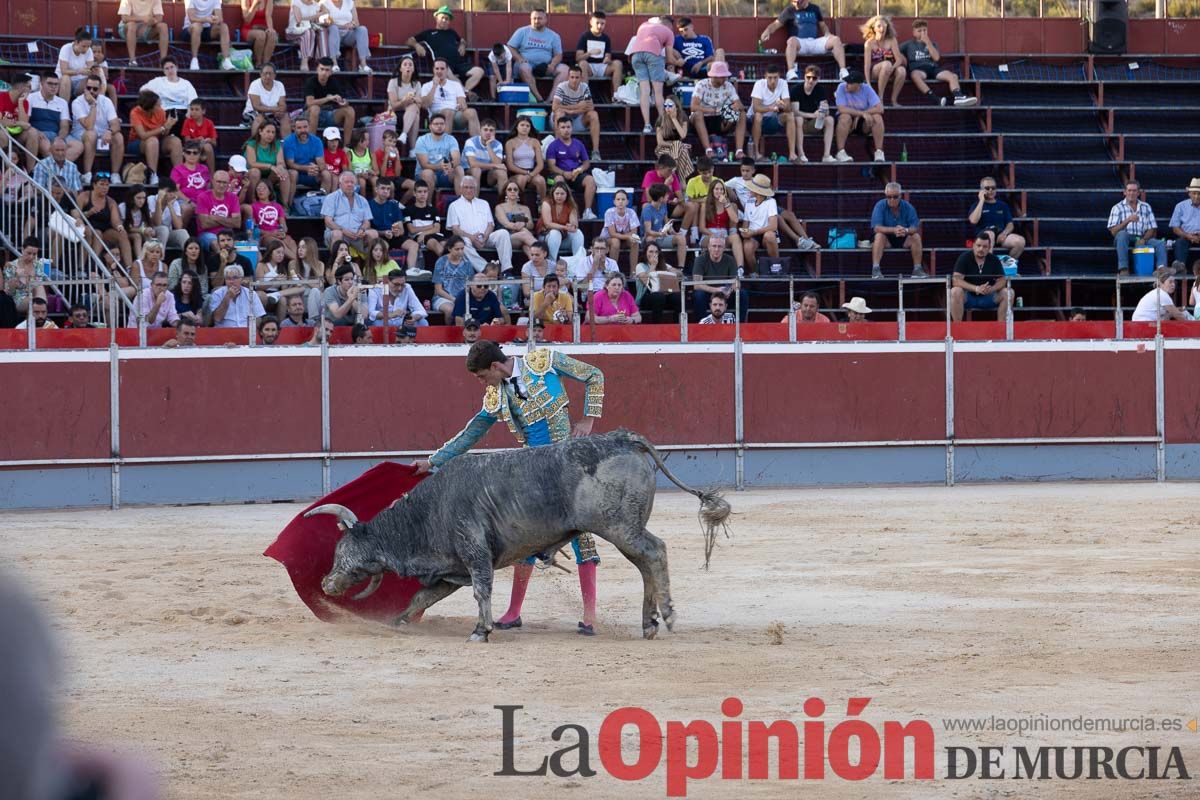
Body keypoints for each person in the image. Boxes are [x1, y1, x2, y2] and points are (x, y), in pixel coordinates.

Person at [415, 340, 605, 636]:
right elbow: (472, 432)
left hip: (567, 467)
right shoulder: (497, 395)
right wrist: (433, 461)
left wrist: (588, 419)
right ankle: (514, 611)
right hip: (533, 476)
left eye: (481, 376)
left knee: (582, 535)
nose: (482, 383)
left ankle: (590, 615)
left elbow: (594, 374)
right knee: (523, 538)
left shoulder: (544, 362)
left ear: (495, 366)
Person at [759, 0, 848, 82]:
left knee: (836, 40)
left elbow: (823, 25)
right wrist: (767, 31)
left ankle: (843, 71)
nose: (795, 4)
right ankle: (791, 71)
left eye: (798, 2)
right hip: (799, 43)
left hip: (815, 42)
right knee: (791, 40)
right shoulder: (789, 10)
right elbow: (775, 24)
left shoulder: (815, 9)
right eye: (793, 1)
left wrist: (828, 34)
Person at [408, 6, 484, 97]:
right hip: (442, 64)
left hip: (459, 63)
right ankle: (465, 95)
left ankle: (465, 93)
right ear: (436, 18)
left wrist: (463, 45)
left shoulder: (452, 32)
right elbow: (409, 40)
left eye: (447, 19)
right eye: (442, 18)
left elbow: (462, 40)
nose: (444, 20)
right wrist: (417, 45)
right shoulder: (428, 33)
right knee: (453, 78)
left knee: (479, 71)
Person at [901, 19, 976, 107]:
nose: (922, 33)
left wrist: (928, 43)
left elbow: (936, 58)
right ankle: (935, 99)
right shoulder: (909, 44)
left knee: (953, 76)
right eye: (919, 31)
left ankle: (958, 97)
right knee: (914, 75)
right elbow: (895, 51)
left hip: (933, 68)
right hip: (918, 69)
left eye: (924, 30)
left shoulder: (932, 43)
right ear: (914, 32)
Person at [448, 176, 513, 273]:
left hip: (485, 237)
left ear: (475, 189)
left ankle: (506, 269)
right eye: (466, 187)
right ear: (461, 189)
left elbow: (491, 224)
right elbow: (455, 229)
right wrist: (471, 237)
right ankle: (486, 269)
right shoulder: (454, 205)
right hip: (468, 239)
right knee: (462, 243)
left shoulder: (484, 203)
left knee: (503, 233)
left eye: (471, 187)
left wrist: (485, 236)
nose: (469, 190)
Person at [70, 74, 124, 184]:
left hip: (102, 134)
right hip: (81, 134)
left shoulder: (106, 101)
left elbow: (115, 124)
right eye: (88, 88)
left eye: (94, 89)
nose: (91, 91)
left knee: (118, 137)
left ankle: (115, 174)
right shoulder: (77, 102)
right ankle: (87, 174)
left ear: (99, 90)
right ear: (85, 88)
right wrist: (93, 105)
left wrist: (109, 131)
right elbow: (88, 126)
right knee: (91, 134)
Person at [689, 61, 746, 160]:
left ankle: (739, 151)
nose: (725, 78)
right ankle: (708, 150)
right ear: (714, 76)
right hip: (704, 119)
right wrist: (712, 110)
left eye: (725, 76)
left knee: (742, 114)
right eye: (722, 76)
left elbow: (739, 104)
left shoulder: (728, 86)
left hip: (721, 119)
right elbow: (693, 107)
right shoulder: (701, 85)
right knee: (697, 114)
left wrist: (732, 107)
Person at [508, 10, 569, 103]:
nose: (536, 21)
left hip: (546, 66)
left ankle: (551, 100)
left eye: (540, 18)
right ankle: (539, 98)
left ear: (546, 20)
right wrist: (520, 59)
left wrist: (552, 65)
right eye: (534, 18)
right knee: (524, 68)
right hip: (526, 65)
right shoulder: (522, 31)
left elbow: (558, 54)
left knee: (565, 69)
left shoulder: (554, 35)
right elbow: (510, 47)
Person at [627, 15, 675, 134]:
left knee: (645, 91)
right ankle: (664, 125)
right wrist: (678, 62)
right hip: (653, 55)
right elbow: (669, 59)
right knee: (658, 92)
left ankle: (647, 125)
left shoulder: (643, 25)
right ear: (669, 25)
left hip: (636, 56)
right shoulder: (669, 32)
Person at [1107, 180, 1166, 276]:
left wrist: (1144, 239)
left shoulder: (1146, 207)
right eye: (1129, 190)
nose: (1131, 193)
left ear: (1138, 193)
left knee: (1160, 243)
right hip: (1124, 238)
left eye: (1134, 191)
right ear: (1124, 192)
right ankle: (1123, 268)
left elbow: (1152, 228)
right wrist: (1128, 220)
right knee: (1122, 234)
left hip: (1142, 236)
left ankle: (1161, 269)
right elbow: (1113, 232)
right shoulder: (1117, 208)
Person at [544, 116, 597, 221]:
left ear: (572, 128)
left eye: (568, 127)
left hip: (575, 174)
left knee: (590, 180)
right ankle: (562, 211)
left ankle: (587, 211)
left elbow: (586, 163)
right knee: (559, 180)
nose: (566, 130)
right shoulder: (553, 146)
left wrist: (579, 170)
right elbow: (551, 166)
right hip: (558, 174)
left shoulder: (578, 144)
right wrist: (564, 173)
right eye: (563, 127)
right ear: (558, 129)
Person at [870, 181, 924, 279]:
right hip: (887, 240)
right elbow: (876, 227)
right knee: (878, 235)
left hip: (904, 238)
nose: (892, 199)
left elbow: (915, 227)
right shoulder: (880, 205)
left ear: (900, 196)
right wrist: (894, 230)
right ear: (885, 195)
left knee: (916, 236)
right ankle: (876, 269)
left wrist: (906, 230)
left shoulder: (908, 206)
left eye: (895, 197)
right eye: (889, 197)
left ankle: (917, 269)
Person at [950, 234, 1009, 322]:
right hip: (968, 297)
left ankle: (1002, 329)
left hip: (988, 296)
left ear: (989, 248)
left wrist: (992, 289)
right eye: (978, 245)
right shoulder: (964, 257)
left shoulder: (994, 259)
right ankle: (957, 328)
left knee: (1008, 292)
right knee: (955, 291)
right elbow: (956, 280)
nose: (981, 249)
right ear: (973, 245)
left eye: (985, 247)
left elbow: (1002, 280)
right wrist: (976, 288)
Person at [128, 89, 181, 185]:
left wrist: (168, 126)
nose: (160, 107)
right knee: (152, 141)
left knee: (175, 141)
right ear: (150, 107)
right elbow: (143, 135)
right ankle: (153, 175)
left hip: (158, 140)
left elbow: (164, 134)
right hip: (138, 142)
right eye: (157, 105)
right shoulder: (135, 112)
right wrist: (163, 128)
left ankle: (180, 175)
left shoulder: (161, 112)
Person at [551, 65, 602, 162]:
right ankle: (558, 149)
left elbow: (590, 106)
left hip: (577, 119)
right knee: (559, 113)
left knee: (593, 114)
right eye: (572, 77)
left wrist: (573, 111)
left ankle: (596, 151)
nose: (574, 80)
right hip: (561, 119)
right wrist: (577, 106)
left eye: (577, 77)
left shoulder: (584, 87)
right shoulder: (561, 87)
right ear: (568, 77)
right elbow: (554, 107)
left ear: (581, 78)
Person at [834, 71, 885, 163]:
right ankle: (840, 152)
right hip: (846, 122)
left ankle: (879, 152)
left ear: (858, 85)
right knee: (845, 117)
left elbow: (880, 108)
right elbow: (841, 109)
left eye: (850, 83)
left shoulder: (867, 89)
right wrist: (861, 114)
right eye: (847, 81)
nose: (847, 84)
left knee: (877, 117)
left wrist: (863, 114)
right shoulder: (841, 87)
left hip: (862, 123)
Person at [970, 176, 1027, 260]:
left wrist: (1004, 233)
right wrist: (981, 200)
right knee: (990, 234)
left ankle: (1004, 268)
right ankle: (988, 269)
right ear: (981, 190)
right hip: (983, 236)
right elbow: (973, 221)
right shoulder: (977, 205)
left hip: (1000, 235)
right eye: (987, 188)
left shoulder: (1002, 205)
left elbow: (1010, 224)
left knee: (1020, 241)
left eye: (993, 188)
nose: (990, 190)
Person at [750, 64, 797, 162]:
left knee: (790, 115)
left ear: (779, 76)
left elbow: (788, 107)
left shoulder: (783, 83)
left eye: (775, 78)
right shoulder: (759, 84)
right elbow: (756, 108)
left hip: (771, 120)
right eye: (770, 78)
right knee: (758, 115)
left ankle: (792, 154)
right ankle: (756, 153)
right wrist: (771, 108)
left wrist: (782, 105)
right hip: (752, 121)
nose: (773, 81)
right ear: (765, 77)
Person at [692, 235, 747, 320]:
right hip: (708, 294)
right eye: (714, 246)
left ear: (724, 248)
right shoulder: (700, 260)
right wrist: (717, 290)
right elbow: (697, 285)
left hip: (725, 294)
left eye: (719, 246)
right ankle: (701, 326)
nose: (716, 249)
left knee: (742, 294)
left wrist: (730, 290)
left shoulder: (730, 260)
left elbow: (736, 282)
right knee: (699, 295)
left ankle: (740, 325)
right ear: (709, 247)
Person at [422, 58, 480, 136]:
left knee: (472, 112)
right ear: (433, 70)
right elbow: (425, 105)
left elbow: (463, 103)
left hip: (456, 115)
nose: (439, 71)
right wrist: (434, 86)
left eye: (442, 69)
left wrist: (461, 106)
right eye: (437, 69)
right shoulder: (426, 86)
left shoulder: (455, 85)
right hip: (437, 116)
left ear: (447, 70)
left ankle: (477, 145)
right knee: (448, 111)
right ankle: (444, 145)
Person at [790, 63, 835, 163]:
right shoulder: (796, 89)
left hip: (814, 124)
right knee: (798, 119)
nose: (811, 80)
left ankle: (827, 155)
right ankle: (801, 154)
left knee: (830, 119)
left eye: (814, 78)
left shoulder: (820, 89)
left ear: (818, 78)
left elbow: (825, 110)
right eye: (808, 77)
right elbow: (795, 112)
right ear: (804, 76)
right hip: (799, 124)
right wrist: (813, 115)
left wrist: (824, 111)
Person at [305, 58, 356, 145]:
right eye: (322, 69)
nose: (324, 73)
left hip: (329, 114)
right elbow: (309, 103)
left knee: (350, 110)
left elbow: (342, 100)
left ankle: (346, 146)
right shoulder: (311, 81)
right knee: (315, 109)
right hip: (310, 115)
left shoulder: (334, 82)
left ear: (331, 72)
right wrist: (327, 98)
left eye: (327, 70)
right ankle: (311, 145)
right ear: (317, 69)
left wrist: (343, 102)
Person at [322, 170, 375, 253]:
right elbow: (328, 221)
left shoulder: (362, 200)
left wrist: (362, 229)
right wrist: (343, 230)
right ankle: (335, 263)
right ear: (340, 185)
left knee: (373, 234)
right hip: (340, 233)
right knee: (337, 234)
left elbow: (367, 222)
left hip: (357, 235)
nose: (350, 184)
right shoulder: (331, 198)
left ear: (356, 185)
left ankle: (370, 265)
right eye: (346, 182)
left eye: (352, 182)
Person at [27, 72, 76, 162]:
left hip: (56, 134)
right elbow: (26, 122)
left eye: (56, 84)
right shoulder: (30, 98)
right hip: (39, 134)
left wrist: (60, 138)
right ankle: (57, 172)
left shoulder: (62, 102)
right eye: (50, 83)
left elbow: (64, 126)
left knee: (78, 146)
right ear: (41, 84)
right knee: (47, 147)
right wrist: (37, 132)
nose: (54, 87)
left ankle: (61, 169)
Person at [861, 15, 907, 107]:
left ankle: (894, 100)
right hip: (876, 71)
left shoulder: (892, 40)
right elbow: (867, 65)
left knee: (902, 71)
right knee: (886, 64)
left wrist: (893, 68)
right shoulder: (869, 43)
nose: (882, 28)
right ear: (874, 28)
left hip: (890, 68)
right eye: (879, 26)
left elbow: (899, 59)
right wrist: (868, 83)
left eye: (884, 26)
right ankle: (879, 99)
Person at [504, 115, 548, 207]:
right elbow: (510, 165)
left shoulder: (535, 142)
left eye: (527, 126)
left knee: (541, 180)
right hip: (516, 172)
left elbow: (540, 165)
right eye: (522, 125)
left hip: (532, 172)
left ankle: (542, 206)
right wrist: (526, 173)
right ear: (517, 126)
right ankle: (516, 205)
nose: (525, 128)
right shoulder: (510, 142)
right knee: (522, 179)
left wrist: (531, 174)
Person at [575, 11, 623, 95]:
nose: (599, 26)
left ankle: (616, 96)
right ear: (591, 22)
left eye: (602, 24)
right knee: (582, 63)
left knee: (618, 63)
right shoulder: (585, 36)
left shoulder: (606, 38)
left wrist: (608, 60)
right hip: (589, 67)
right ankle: (584, 96)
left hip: (602, 67)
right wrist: (589, 53)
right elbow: (578, 58)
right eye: (597, 23)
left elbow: (608, 56)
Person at [634, 240, 682, 324]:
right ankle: (657, 326)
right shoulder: (640, 266)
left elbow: (679, 273)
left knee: (677, 296)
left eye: (656, 252)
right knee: (658, 296)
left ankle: (678, 326)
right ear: (645, 253)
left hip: (665, 295)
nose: (654, 254)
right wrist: (653, 266)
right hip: (646, 297)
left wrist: (671, 272)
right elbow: (646, 281)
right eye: (651, 251)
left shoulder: (664, 265)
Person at [413, 113, 464, 193]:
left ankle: (461, 203)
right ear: (430, 126)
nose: (439, 126)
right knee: (428, 172)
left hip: (445, 174)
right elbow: (424, 165)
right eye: (436, 124)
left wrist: (451, 164)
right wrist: (440, 167)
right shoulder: (422, 140)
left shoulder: (451, 139)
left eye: (442, 124)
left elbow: (457, 159)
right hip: (425, 174)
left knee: (459, 169)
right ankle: (428, 205)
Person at [641, 183, 687, 268]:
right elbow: (648, 231)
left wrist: (674, 233)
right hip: (650, 237)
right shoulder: (647, 209)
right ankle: (651, 266)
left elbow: (667, 223)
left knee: (681, 238)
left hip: (662, 236)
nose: (668, 197)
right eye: (666, 195)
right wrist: (660, 234)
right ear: (661, 198)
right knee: (650, 239)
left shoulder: (663, 205)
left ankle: (681, 268)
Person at [283, 117, 333, 196]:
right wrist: (307, 168)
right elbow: (290, 164)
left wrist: (317, 169)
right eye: (299, 128)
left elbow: (321, 162)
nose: (303, 130)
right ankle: (288, 205)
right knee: (293, 173)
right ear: (294, 129)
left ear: (309, 127)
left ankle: (322, 203)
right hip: (295, 173)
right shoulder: (288, 141)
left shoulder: (316, 141)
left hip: (312, 174)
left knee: (326, 174)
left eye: (305, 127)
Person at [737, 173, 780, 264]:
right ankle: (754, 273)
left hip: (765, 233)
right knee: (747, 247)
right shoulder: (749, 203)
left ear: (758, 191)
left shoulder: (771, 202)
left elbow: (773, 226)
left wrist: (754, 232)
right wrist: (744, 233)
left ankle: (776, 265)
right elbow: (745, 225)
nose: (749, 189)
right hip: (753, 235)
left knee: (769, 236)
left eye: (752, 187)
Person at [700, 178, 743, 269]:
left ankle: (740, 268)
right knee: (713, 240)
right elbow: (702, 228)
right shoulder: (705, 204)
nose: (719, 191)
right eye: (716, 189)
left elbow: (735, 220)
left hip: (723, 235)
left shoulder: (727, 204)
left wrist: (726, 204)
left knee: (735, 237)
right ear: (712, 190)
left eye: (721, 189)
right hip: (708, 235)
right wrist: (714, 235)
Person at [369, 268, 427, 334]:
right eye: (396, 284)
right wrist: (391, 315)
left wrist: (413, 318)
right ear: (388, 281)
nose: (399, 288)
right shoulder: (375, 289)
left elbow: (421, 311)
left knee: (422, 322)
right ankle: (382, 344)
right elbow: (371, 312)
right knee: (377, 323)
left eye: (402, 285)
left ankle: (419, 344)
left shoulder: (407, 287)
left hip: (402, 323)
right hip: (383, 321)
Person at [0, 74, 39, 171]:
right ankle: (6, 170)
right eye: (29, 86)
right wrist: (18, 123)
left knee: (33, 133)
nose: (31, 90)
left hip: (17, 134)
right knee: (2, 134)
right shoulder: (2, 97)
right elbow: (1, 122)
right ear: (21, 87)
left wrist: (20, 102)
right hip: (3, 133)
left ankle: (30, 172)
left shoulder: (25, 102)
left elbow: (25, 124)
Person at [321, 0, 373, 73]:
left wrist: (353, 25)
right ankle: (334, 63)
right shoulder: (324, 3)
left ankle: (363, 64)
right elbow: (327, 23)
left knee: (362, 29)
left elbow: (357, 22)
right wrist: (342, 26)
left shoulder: (350, 2)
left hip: (348, 34)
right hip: (333, 34)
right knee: (333, 28)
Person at [208, 264, 266, 328]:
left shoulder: (251, 294)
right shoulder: (217, 294)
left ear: (241, 279)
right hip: (225, 333)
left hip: (246, 332)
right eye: (228, 278)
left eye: (235, 278)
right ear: (225, 280)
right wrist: (227, 297)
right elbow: (217, 318)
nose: (232, 281)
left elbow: (258, 317)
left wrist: (250, 331)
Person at [431, 236, 473, 322]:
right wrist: (453, 299)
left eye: (462, 249)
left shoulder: (467, 264)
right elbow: (438, 289)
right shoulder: (441, 262)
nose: (460, 252)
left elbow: (470, 285)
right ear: (450, 249)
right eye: (457, 249)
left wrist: (462, 299)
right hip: (443, 297)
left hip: (463, 297)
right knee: (451, 311)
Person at [244, 63, 290, 141]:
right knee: (260, 119)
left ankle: (287, 145)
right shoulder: (255, 84)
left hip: (273, 112)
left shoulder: (279, 85)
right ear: (260, 74)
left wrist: (280, 111)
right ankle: (256, 145)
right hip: (253, 113)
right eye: (265, 73)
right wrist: (274, 109)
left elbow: (282, 104)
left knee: (285, 117)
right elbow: (256, 106)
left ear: (275, 75)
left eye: (270, 74)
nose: (268, 76)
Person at [183, 0, 234, 70]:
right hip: (189, 30)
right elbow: (192, 19)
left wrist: (216, 19)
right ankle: (194, 60)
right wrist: (205, 19)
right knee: (197, 26)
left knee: (224, 27)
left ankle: (226, 60)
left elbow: (220, 18)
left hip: (206, 29)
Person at [600, 188, 641, 274]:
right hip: (608, 239)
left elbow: (634, 232)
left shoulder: (631, 212)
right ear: (614, 201)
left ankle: (633, 272)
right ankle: (612, 272)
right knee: (615, 241)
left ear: (627, 202)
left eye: (623, 199)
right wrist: (628, 236)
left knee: (635, 241)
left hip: (624, 239)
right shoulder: (609, 212)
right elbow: (612, 233)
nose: (620, 201)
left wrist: (630, 236)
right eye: (618, 199)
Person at [494, 179, 537, 261]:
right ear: (505, 192)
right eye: (509, 189)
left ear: (518, 192)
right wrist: (522, 226)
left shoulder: (525, 208)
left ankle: (535, 264)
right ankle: (542, 248)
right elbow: (507, 224)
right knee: (524, 233)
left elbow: (531, 224)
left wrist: (524, 225)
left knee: (527, 248)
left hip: (522, 239)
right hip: (506, 238)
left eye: (515, 189)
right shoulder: (500, 207)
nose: (512, 191)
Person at [117, 0, 169, 66]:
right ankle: (132, 60)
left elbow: (159, 17)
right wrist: (142, 19)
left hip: (147, 28)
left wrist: (151, 22)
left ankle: (164, 62)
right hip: (127, 28)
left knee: (163, 26)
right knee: (132, 25)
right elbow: (124, 18)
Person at [386, 58, 423, 148]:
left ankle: (404, 134)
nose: (408, 66)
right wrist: (404, 101)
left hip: (410, 113)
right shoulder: (393, 82)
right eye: (405, 64)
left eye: (410, 65)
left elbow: (419, 105)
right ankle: (412, 149)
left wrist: (414, 100)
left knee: (414, 109)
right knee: (415, 116)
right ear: (400, 68)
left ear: (413, 69)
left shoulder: (417, 84)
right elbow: (393, 105)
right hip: (395, 114)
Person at [462, 119, 507, 191]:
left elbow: (498, 163)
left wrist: (488, 145)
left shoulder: (498, 144)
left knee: (501, 172)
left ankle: (504, 201)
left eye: (491, 130)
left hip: (488, 175)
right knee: (476, 170)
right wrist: (494, 165)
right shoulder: (471, 142)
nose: (488, 132)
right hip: (470, 173)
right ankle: (474, 201)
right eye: (485, 130)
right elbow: (472, 164)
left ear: (495, 132)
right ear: (480, 131)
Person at [286, 0, 327, 72]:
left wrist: (324, 17)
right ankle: (304, 62)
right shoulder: (296, 2)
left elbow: (316, 22)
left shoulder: (315, 5)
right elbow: (299, 20)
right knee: (308, 32)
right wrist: (319, 14)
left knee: (322, 31)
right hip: (294, 31)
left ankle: (323, 61)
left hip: (309, 32)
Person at [56, 27, 95, 101]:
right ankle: (64, 109)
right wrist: (79, 71)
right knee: (66, 78)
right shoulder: (66, 48)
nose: (86, 49)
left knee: (97, 77)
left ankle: (98, 105)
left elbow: (91, 68)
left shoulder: (89, 51)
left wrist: (93, 71)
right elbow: (63, 71)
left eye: (88, 46)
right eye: (84, 46)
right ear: (76, 42)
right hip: (62, 82)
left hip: (80, 83)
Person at [1169, 178, 1200, 267]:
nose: (1197, 196)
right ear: (1189, 193)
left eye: (1199, 194)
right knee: (1179, 242)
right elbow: (1175, 228)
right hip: (1186, 236)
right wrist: (1188, 236)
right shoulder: (1180, 206)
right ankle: (1180, 266)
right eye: (1194, 193)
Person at [239, 0, 278, 67]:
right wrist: (254, 5)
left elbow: (268, 16)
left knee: (272, 35)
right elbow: (247, 20)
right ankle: (258, 63)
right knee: (261, 35)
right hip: (248, 29)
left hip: (263, 28)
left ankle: (266, 64)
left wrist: (270, 29)